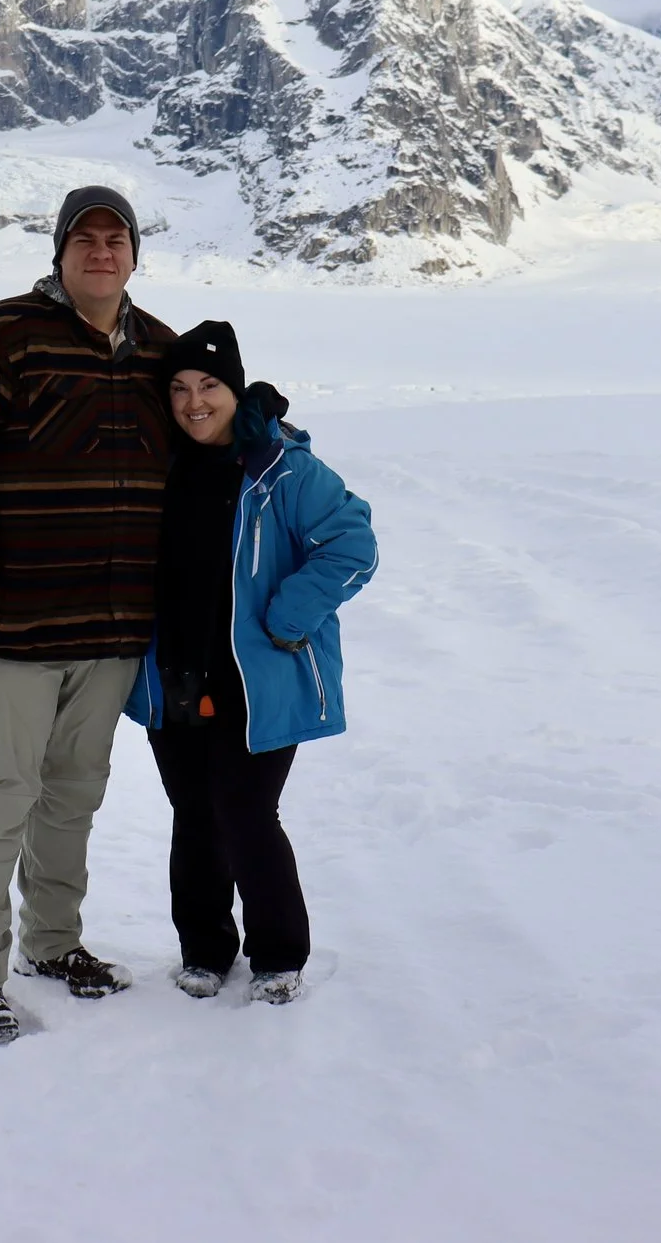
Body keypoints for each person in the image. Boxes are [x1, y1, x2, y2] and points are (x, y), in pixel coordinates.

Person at [0, 187, 178, 1045]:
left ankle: (54, 944)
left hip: (110, 633)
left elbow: (211, 436)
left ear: (135, 254)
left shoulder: (161, 352)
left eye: (117, 238)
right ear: (60, 252)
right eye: (85, 239)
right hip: (10, 630)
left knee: (72, 797)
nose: (102, 252)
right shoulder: (1, 336)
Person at [126, 320, 375, 1005]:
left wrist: (289, 616)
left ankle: (278, 952)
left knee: (244, 810)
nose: (193, 402)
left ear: (235, 389)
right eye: (178, 388)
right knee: (192, 812)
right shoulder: (161, 465)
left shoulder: (283, 468)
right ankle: (204, 948)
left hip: (255, 679)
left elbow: (352, 544)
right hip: (173, 672)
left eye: (209, 385)